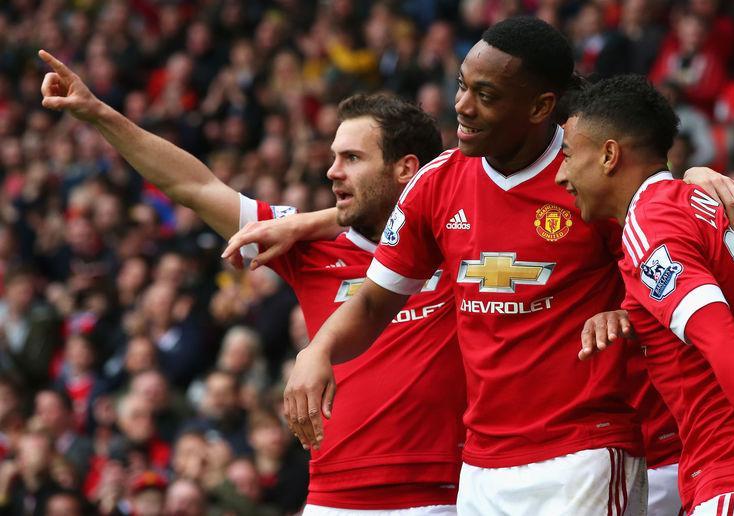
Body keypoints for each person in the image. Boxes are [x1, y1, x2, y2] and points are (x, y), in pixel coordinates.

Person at [253, 17, 734, 515]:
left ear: (540, 107)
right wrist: (319, 350)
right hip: (481, 466)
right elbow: (375, 302)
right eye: (464, 85)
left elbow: (672, 250)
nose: (462, 106)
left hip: (585, 451)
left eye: (486, 95)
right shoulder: (436, 183)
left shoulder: (591, 178)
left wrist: (631, 303)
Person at [38, 50, 465, 514]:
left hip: (443, 496)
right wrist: (98, 113)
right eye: (333, 157)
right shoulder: (300, 246)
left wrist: (311, 220)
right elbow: (195, 187)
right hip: (332, 499)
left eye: (352, 158)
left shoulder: (460, 239)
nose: (332, 171)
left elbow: (470, 168)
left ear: (405, 168)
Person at [554, 75, 734, 515]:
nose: (561, 175)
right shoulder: (692, 203)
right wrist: (632, 312)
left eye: (569, 156)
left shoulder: (648, 225)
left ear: (609, 155)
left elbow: (721, 339)